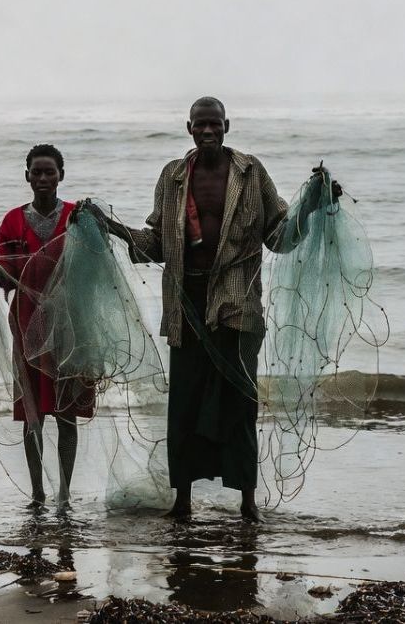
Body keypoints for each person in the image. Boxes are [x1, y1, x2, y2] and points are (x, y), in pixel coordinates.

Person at [102, 97, 340, 522]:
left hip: (238, 306)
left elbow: (279, 236)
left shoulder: (251, 172)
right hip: (186, 306)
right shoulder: (173, 176)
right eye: (200, 125)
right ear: (189, 128)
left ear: (227, 126)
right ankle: (182, 502)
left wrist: (311, 205)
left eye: (214, 124)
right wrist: (113, 228)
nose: (207, 131)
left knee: (240, 405)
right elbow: (157, 244)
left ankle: (248, 503)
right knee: (185, 406)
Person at [0, 144, 94, 507]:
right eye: (36, 172)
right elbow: (6, 276)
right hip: (27, 326)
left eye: (49, 172)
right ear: (27, 176)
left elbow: (93, 268)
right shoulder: (13, 221)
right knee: (33, 415)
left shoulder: (76, 217)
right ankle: (38, 493)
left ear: (61, 175)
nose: (43, 178)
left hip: (70, 327)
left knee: (66, 415)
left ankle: (65, 493)